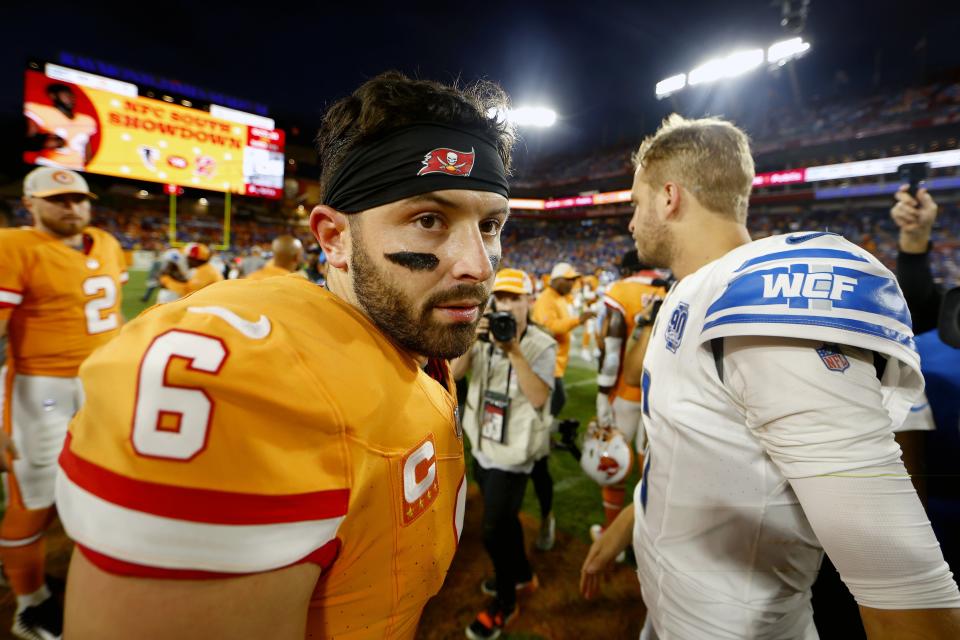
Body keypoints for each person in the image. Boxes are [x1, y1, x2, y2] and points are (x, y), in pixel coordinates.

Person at [55, 70, 516, 640]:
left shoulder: (409, 343)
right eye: (428, 220)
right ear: (333, 238)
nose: (480, 263)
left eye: (492, 225)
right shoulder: (249, 381)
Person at [580, 115, 960, 639]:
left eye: (636, 202)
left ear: (669, 196)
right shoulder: (690, 293)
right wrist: (630, 525)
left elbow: (904, 588)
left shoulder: (761, 298)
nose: (630, 221)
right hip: (668, 615)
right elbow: (694, 453)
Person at [0, 167, 127, 640]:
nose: (72, 207)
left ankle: (30, 569)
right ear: (30, 204)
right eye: (58, 199)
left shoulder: (106, 242)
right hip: (41, 390)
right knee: (33, 498)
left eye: (78, 198)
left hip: (102, 384)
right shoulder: (13, 246)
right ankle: (28, 605)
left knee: (90, 483)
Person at [452, 269, 556, 640]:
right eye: (502, 298)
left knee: (494, 529)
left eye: (515, 297)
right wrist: (469, 340)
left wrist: (513, 350)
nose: (508, 305)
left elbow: (540, 397)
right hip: (482, 443)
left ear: (530, 300)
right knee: (506, 521)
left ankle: (506, 603)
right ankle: (523, 574)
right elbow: (455, 375)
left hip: (515, 451)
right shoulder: (480, 334)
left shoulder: (542, 344)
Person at [590, 250, 665, 543]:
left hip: (626, 392)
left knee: (614, 460)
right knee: (654, 468)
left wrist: (602, 393)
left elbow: (611, 354)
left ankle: (613, 535)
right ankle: (651, 534)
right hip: (662, 393)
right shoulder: (672, 286)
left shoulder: (621, 290)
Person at [529, 262, 595, 550]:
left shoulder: (559, 298)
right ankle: (541, 436)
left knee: (557, 402)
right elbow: (548, 329)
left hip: (558, 363)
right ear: (556, 280)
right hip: (547, 365)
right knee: (554, 402)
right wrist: (578, 321)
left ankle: (544, 433)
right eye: (568, 280)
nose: (572, 284)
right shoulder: (545, 300)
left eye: (573, 280)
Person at [25, 83, 97, 171]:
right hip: (48, 165)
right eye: (66, 94)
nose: (71, 98)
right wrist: (43, 142)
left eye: (72, 95)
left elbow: (87, 154)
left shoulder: (86, 120)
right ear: (53, 96)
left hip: (76, 170)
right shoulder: (40, 111)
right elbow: (26, 140)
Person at [157, 242, 223, 297]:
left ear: (197, 260)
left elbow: (187, 292)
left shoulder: (205, 271)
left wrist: (167, 281)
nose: (187, 260)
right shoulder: (205, 268)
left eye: (189, 258)